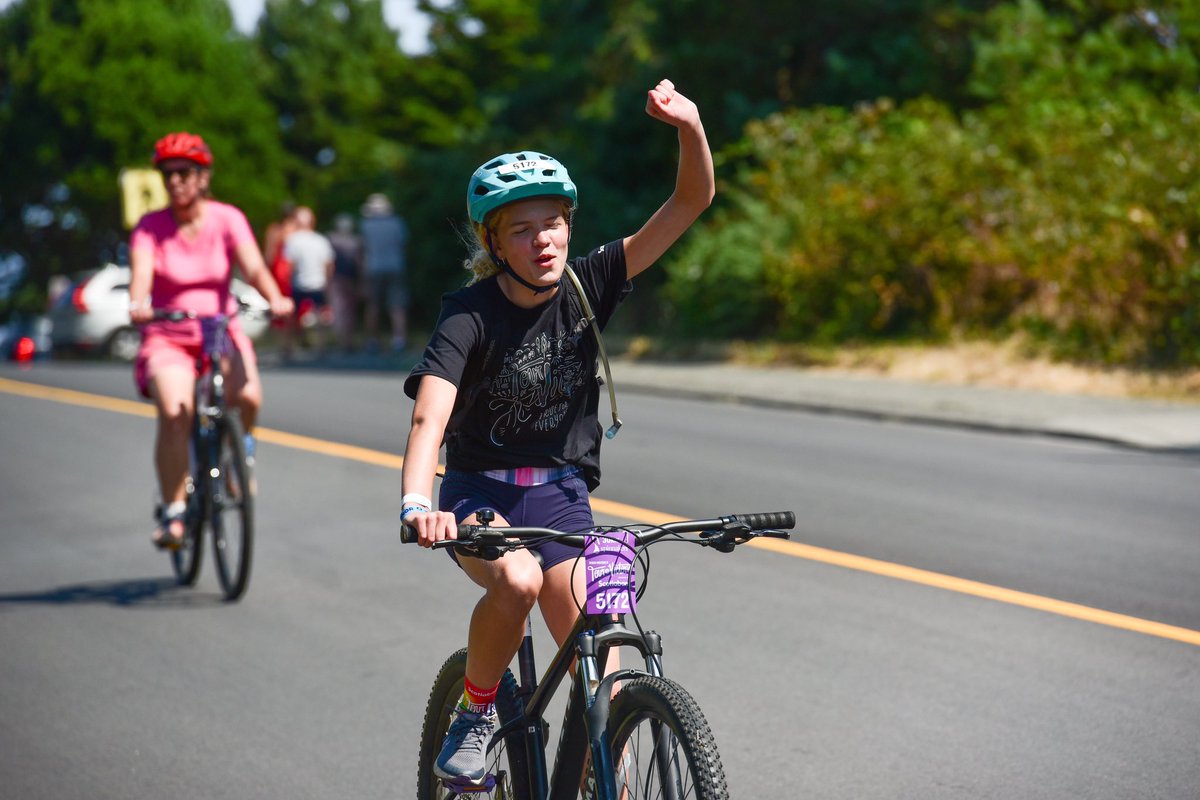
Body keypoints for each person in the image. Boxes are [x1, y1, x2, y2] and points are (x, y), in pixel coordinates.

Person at [400, 79, 713, 787]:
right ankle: (478, 712)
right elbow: (431, 414)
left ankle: (602, 768)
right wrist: (419, 502)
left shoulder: (590, 283)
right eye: (521, 228)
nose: (542, 239)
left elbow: (689, 203)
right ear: (493, 241)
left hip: (563, 500)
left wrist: (689, 126)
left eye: (553, 222)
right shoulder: (468, 314)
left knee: (602, 652)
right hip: (481, 497)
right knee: (512, 580)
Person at [128, 132, 293, 549]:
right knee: (175, 409)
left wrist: (275, 299)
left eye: (184, 172)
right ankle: (174, 512)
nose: (176, 181)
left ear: (203, 176)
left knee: (249, 396)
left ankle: (238, 462)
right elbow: (141, 273)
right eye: (168, 174)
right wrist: (138, 301)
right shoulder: (151, 227)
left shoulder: (227, 218)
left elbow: (253, 265)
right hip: (168, 334)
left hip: (219, 329)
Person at [282, 205, 334, 357]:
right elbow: (328, 263)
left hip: (298, 283)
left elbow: (289, 264)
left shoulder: (293, 240)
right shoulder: (320, 240)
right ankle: (321, 347)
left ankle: (287, 348)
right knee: (320, 316)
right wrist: (327, 281)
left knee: (291, 317)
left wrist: (288, 280)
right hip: (318, 283)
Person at [359, 192, 409, 353]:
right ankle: (399, 340)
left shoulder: (366, 225)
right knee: (397, 305)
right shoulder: (397, 223)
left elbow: (363, 249)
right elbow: (403, 244)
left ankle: (372, 341)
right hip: (396, 267)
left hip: (373, 267)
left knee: (373, 305)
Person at [326, 213, 364, 353]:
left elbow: (328, 262)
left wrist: (327, 280)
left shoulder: (331, 239)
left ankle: (342, 341)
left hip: (337, 278)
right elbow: (360, 263)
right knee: (349, 311)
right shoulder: (356, 241)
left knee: (339, 310)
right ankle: (348, 340)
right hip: (351, 279)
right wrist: (362, 280)